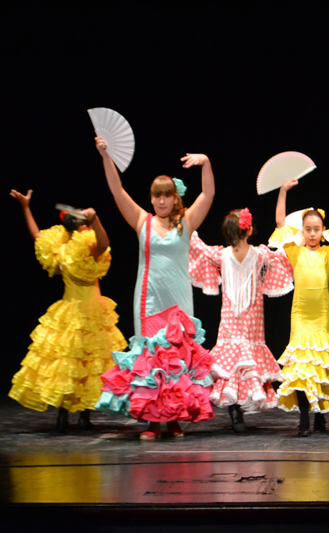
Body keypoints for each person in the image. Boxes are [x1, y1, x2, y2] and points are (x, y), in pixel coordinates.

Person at [93, 136, 216, 440]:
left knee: (176, 358)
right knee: (151, 359)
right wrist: (106, 156)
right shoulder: (141, 221)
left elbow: (209, 193)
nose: (162, 201)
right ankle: (152, 422)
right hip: (149, 299)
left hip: (179, 301)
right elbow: (116, 190)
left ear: (176, 198)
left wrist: (206, 163)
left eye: (167, 196)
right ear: (151, 199)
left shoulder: (186, 222)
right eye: (157, 196)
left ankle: (174, 419)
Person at [8, 189, 126, 432]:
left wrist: (26, 208)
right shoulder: (84, 247)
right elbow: (104, 244)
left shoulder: (62, 248)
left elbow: (37, 236)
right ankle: (80, 416)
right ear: (82, 228)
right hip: (89, 311)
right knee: (83, 366)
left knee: (71, 366)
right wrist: (96, 219)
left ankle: (68, 416)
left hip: (70, 310)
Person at [189, 208, 294, 432]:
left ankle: (236, 409)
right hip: (251, 318)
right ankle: (238, 407)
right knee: (242, 361)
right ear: (248, 230)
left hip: (232, 316)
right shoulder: (259, 254)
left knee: (234, 362)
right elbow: (281, 256)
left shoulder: (222, 255)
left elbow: (200, 250)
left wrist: (187, 230)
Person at [271, 172, 329, 436]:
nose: (311, 233)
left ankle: (320, 416)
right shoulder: (295, 252)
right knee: (299, 368)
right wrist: (283, 191)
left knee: (318, 366)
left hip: (321, 315)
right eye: (307, 229)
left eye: (316, 229)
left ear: (322, 230)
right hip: (300, 315)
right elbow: (279, 222)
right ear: (302, 230)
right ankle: (304, 418)